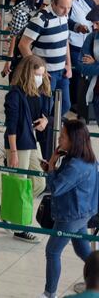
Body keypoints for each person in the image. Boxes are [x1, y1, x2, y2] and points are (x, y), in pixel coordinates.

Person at [42, 120, 99, 297]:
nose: (59, 138)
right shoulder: (84, 158)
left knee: (52, 251)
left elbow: (56, 188)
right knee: (83, 251)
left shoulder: (75, 165)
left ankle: (49, 294)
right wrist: (53, 167)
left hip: (70, 216)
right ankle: (95, 282)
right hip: (83, 212)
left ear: (74, 140)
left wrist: (51, 165)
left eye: (63, 136)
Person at [0, 55, 50, 243]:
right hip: (18, 144)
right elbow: (10, 125)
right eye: (37, 74)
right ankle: (21, 228)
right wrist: (12, 152)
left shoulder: (37, 93)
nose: (40, 78)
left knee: (39, 183)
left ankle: (7, 208)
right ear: (29, 73)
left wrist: (44, 120)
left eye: (42, 75)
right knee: (20, 183)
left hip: (32, 142)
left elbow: (41, 116)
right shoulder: (14, 95)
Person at [20, 0, 74, 117]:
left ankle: (50, 130)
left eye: (69, 7)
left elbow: (64, 40)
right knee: (45, 108)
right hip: (47, 73)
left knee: (65, 105)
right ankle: (45, 134)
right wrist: (39, 70)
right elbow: (23, 45)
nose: (66, 11)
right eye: (62, 7)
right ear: (53, 3)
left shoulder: (64, 15)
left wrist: (68, 64)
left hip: (62, 71)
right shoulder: (41, 19)